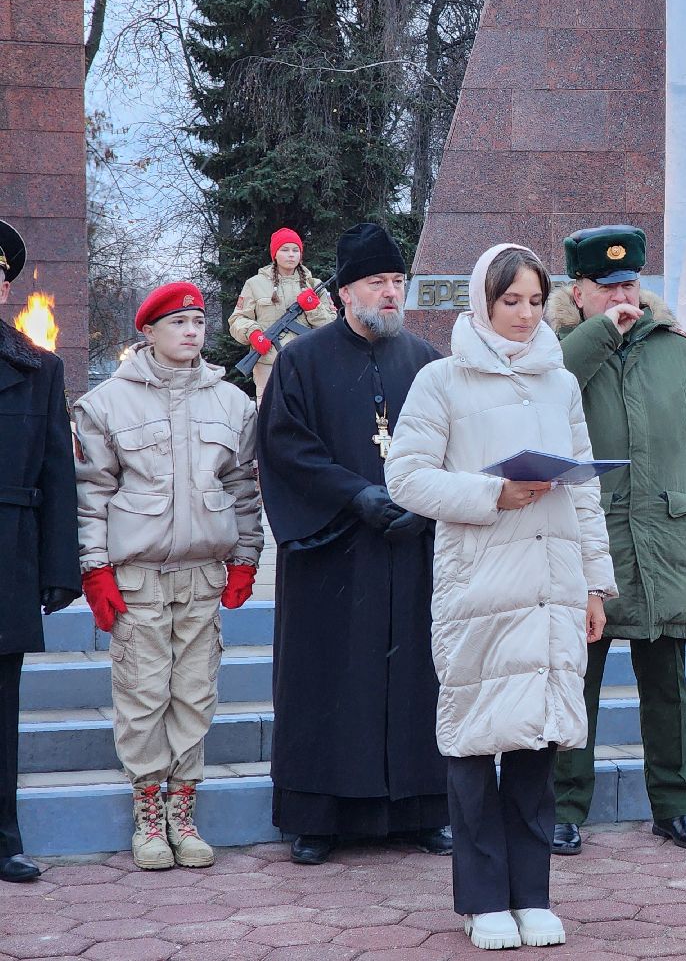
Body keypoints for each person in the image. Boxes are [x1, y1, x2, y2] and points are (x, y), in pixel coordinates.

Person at [386, 243, 616, 951]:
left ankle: (532, 895)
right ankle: (483, 899)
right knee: (473, 738)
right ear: (482, 302)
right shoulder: (441, 380)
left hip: (552, 586)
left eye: (534, 301)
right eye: (509, 300)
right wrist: (493, 493)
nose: (523, 314)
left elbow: (584, 492)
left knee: (537, 742)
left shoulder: (560, 382)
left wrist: (596, 585)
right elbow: (407, 478)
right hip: (480, 585)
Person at [257, 222, 450, 865]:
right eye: (376, 282)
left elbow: (455, 444)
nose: (391, 292)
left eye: (397, 281)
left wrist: (427, 505)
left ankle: (422, 809)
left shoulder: (426, 362)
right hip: (334, 550)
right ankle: (318, 817)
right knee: (327, 678)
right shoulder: (302, 360)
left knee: (417, 677)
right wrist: (355, 495)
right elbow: (285, 446)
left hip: (412, 547)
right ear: (344, 292)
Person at [547, 225, 686, 856]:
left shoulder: (677, 350)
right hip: (586, 539)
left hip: (661, 534)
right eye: (606, 287)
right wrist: (603, 333)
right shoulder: (554, 348)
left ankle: (675, 806)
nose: (620, 296)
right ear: (577, 292)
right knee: (577, 679)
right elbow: (549, 393)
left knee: (666, 684)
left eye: (629, 284)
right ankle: (564, 807)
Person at [73, 281, 262, 871]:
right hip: (139, 577)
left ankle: (184, 810)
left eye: (199, 322)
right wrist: (95, 569)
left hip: (203, 575)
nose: (191, 331)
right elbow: (90, 496)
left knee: (195, 694)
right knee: (142, 694)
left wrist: (246, 558)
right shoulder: (106, 404)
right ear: (149, 332)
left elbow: (244, 488)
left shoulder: (232, 404)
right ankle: (148, 814)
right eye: (178, 323)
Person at [0, 220, 80, 883]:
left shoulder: (37, 369)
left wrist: (59, 569)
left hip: (7, 556)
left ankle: (4, 838)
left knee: (1, 710)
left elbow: (58, 472)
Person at [228, 227, 337, 402]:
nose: (291, 255)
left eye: (295, 250)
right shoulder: (254, 284)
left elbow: (332, 327)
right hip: (268, 365)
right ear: (275, 254)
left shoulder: (314, 285)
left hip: (308, 364)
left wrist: (313, 308)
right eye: (285, 250)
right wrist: (253, 334)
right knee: (270, 411)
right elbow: (237, 319)